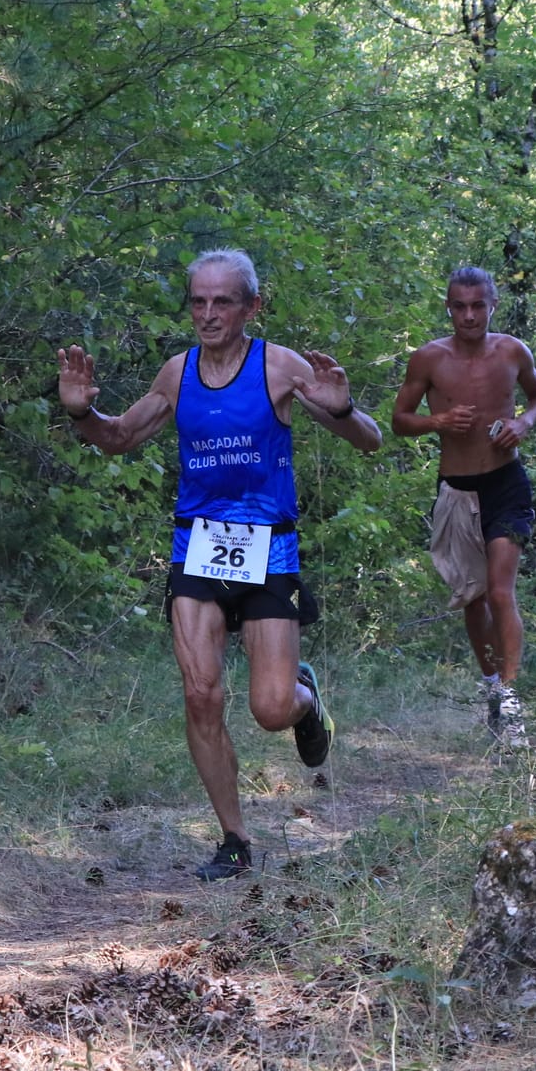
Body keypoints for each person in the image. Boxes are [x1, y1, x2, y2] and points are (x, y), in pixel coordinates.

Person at [57, 249, 382, 881]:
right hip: (198, 545)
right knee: (200, 693)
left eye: (222, 302)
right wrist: (80, 412)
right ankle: (234, 840)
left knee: (270, 709)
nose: (207, 314)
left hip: (269, 547)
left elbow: (368, 439)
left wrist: (342, 410)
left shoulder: (279, 367)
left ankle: (305, 699)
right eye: (198, 301)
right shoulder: (178, 373)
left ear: (251, 307)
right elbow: (119, 436)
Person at [391, 267, 536, 747]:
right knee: (474, 597)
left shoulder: (512, 351)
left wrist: (523, 424)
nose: (468, 315)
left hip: (506, 483)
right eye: (459, 306)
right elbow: (399, 420)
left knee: (501, 592)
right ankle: (491, 686)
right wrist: (438, 421)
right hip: (458, 490)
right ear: (448, 307)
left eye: (478, 305)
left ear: (492, 305)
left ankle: (511, 700)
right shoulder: (429, 358)